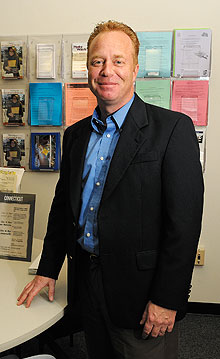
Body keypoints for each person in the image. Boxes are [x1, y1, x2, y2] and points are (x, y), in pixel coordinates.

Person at [17, 20, 204, 359]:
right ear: (88, 67)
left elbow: (185, 225)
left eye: (118, 61)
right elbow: (63, 210)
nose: (107, 71)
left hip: (143, 296)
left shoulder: (172, 129)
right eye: (97, 61)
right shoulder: (75, 136)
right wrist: (47, 269)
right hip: (87, 284)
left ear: (135, 69)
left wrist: (167, 299)